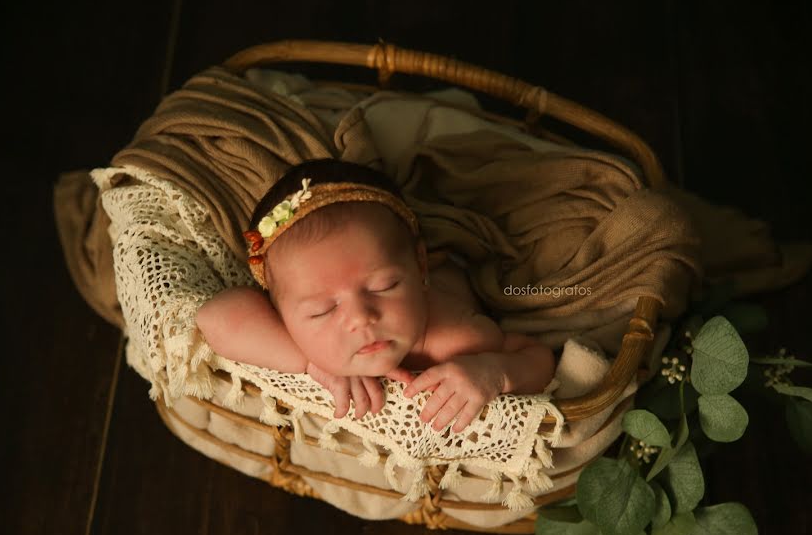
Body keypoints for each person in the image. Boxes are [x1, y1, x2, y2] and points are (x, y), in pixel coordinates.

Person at [195, 159, 555, 434]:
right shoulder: (294, 333)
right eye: (323, 310)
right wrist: (312, 365)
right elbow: (213, 317)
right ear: (278, 309)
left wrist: (494, 372)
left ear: (420, 267)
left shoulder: (456, 340)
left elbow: (538, 356)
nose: (360, 318)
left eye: (384, 287)